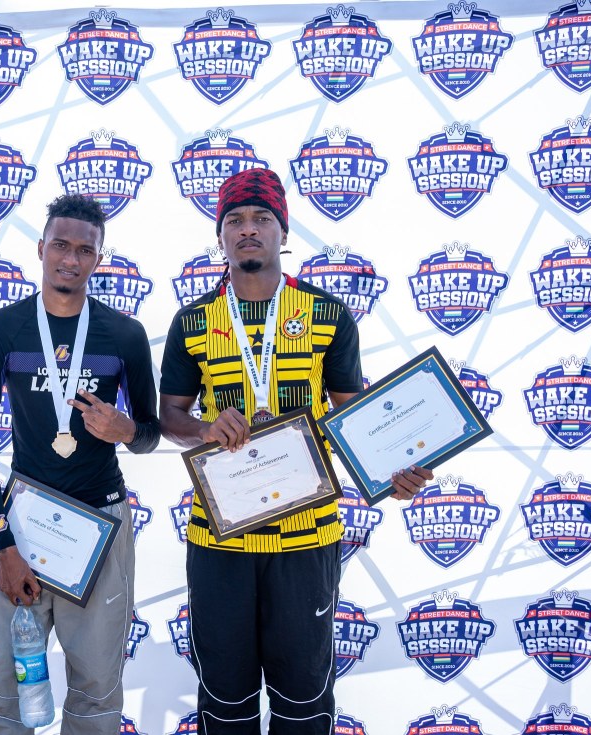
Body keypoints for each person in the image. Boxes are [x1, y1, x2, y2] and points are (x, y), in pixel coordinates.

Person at [159, 168, 432, 735]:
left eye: (262, 218)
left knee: (303, 700)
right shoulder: (192, 322)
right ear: (219, 236)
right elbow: (169, 417)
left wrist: (393, 473)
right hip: (220, 537)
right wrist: (206, 428)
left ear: (283, 232)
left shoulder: (328, 315)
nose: (248, 229)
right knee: (224, 700)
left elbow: (356, 419)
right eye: (235, 220)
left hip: (307, 535)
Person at [0, 194, 160, 734]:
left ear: (99, 257)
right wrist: (5, 546)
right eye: (60, 246)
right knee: (6, 690)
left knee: (97, 690)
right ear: (40, 248)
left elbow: (149, 435)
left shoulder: (124, 335)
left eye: (84, 250)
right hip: (23, 528)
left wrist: (126, 430)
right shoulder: (2, 330)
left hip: (100, 524)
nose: (70, 259)